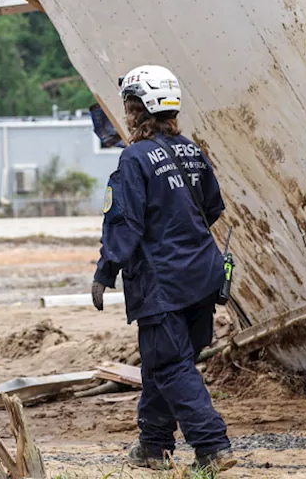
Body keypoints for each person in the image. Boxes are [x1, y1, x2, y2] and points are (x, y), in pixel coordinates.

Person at [91, 65, 236, 474]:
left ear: (141, 109)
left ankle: (213, 446)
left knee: (171, 365)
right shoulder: (192, 149)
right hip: (203, 277)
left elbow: (125, 223)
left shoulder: (134, 158)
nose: (126, 113)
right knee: (163, 363)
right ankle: (154, 445)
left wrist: (105, 272)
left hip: (163, 284)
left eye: (129, 105)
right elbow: (211, 208)